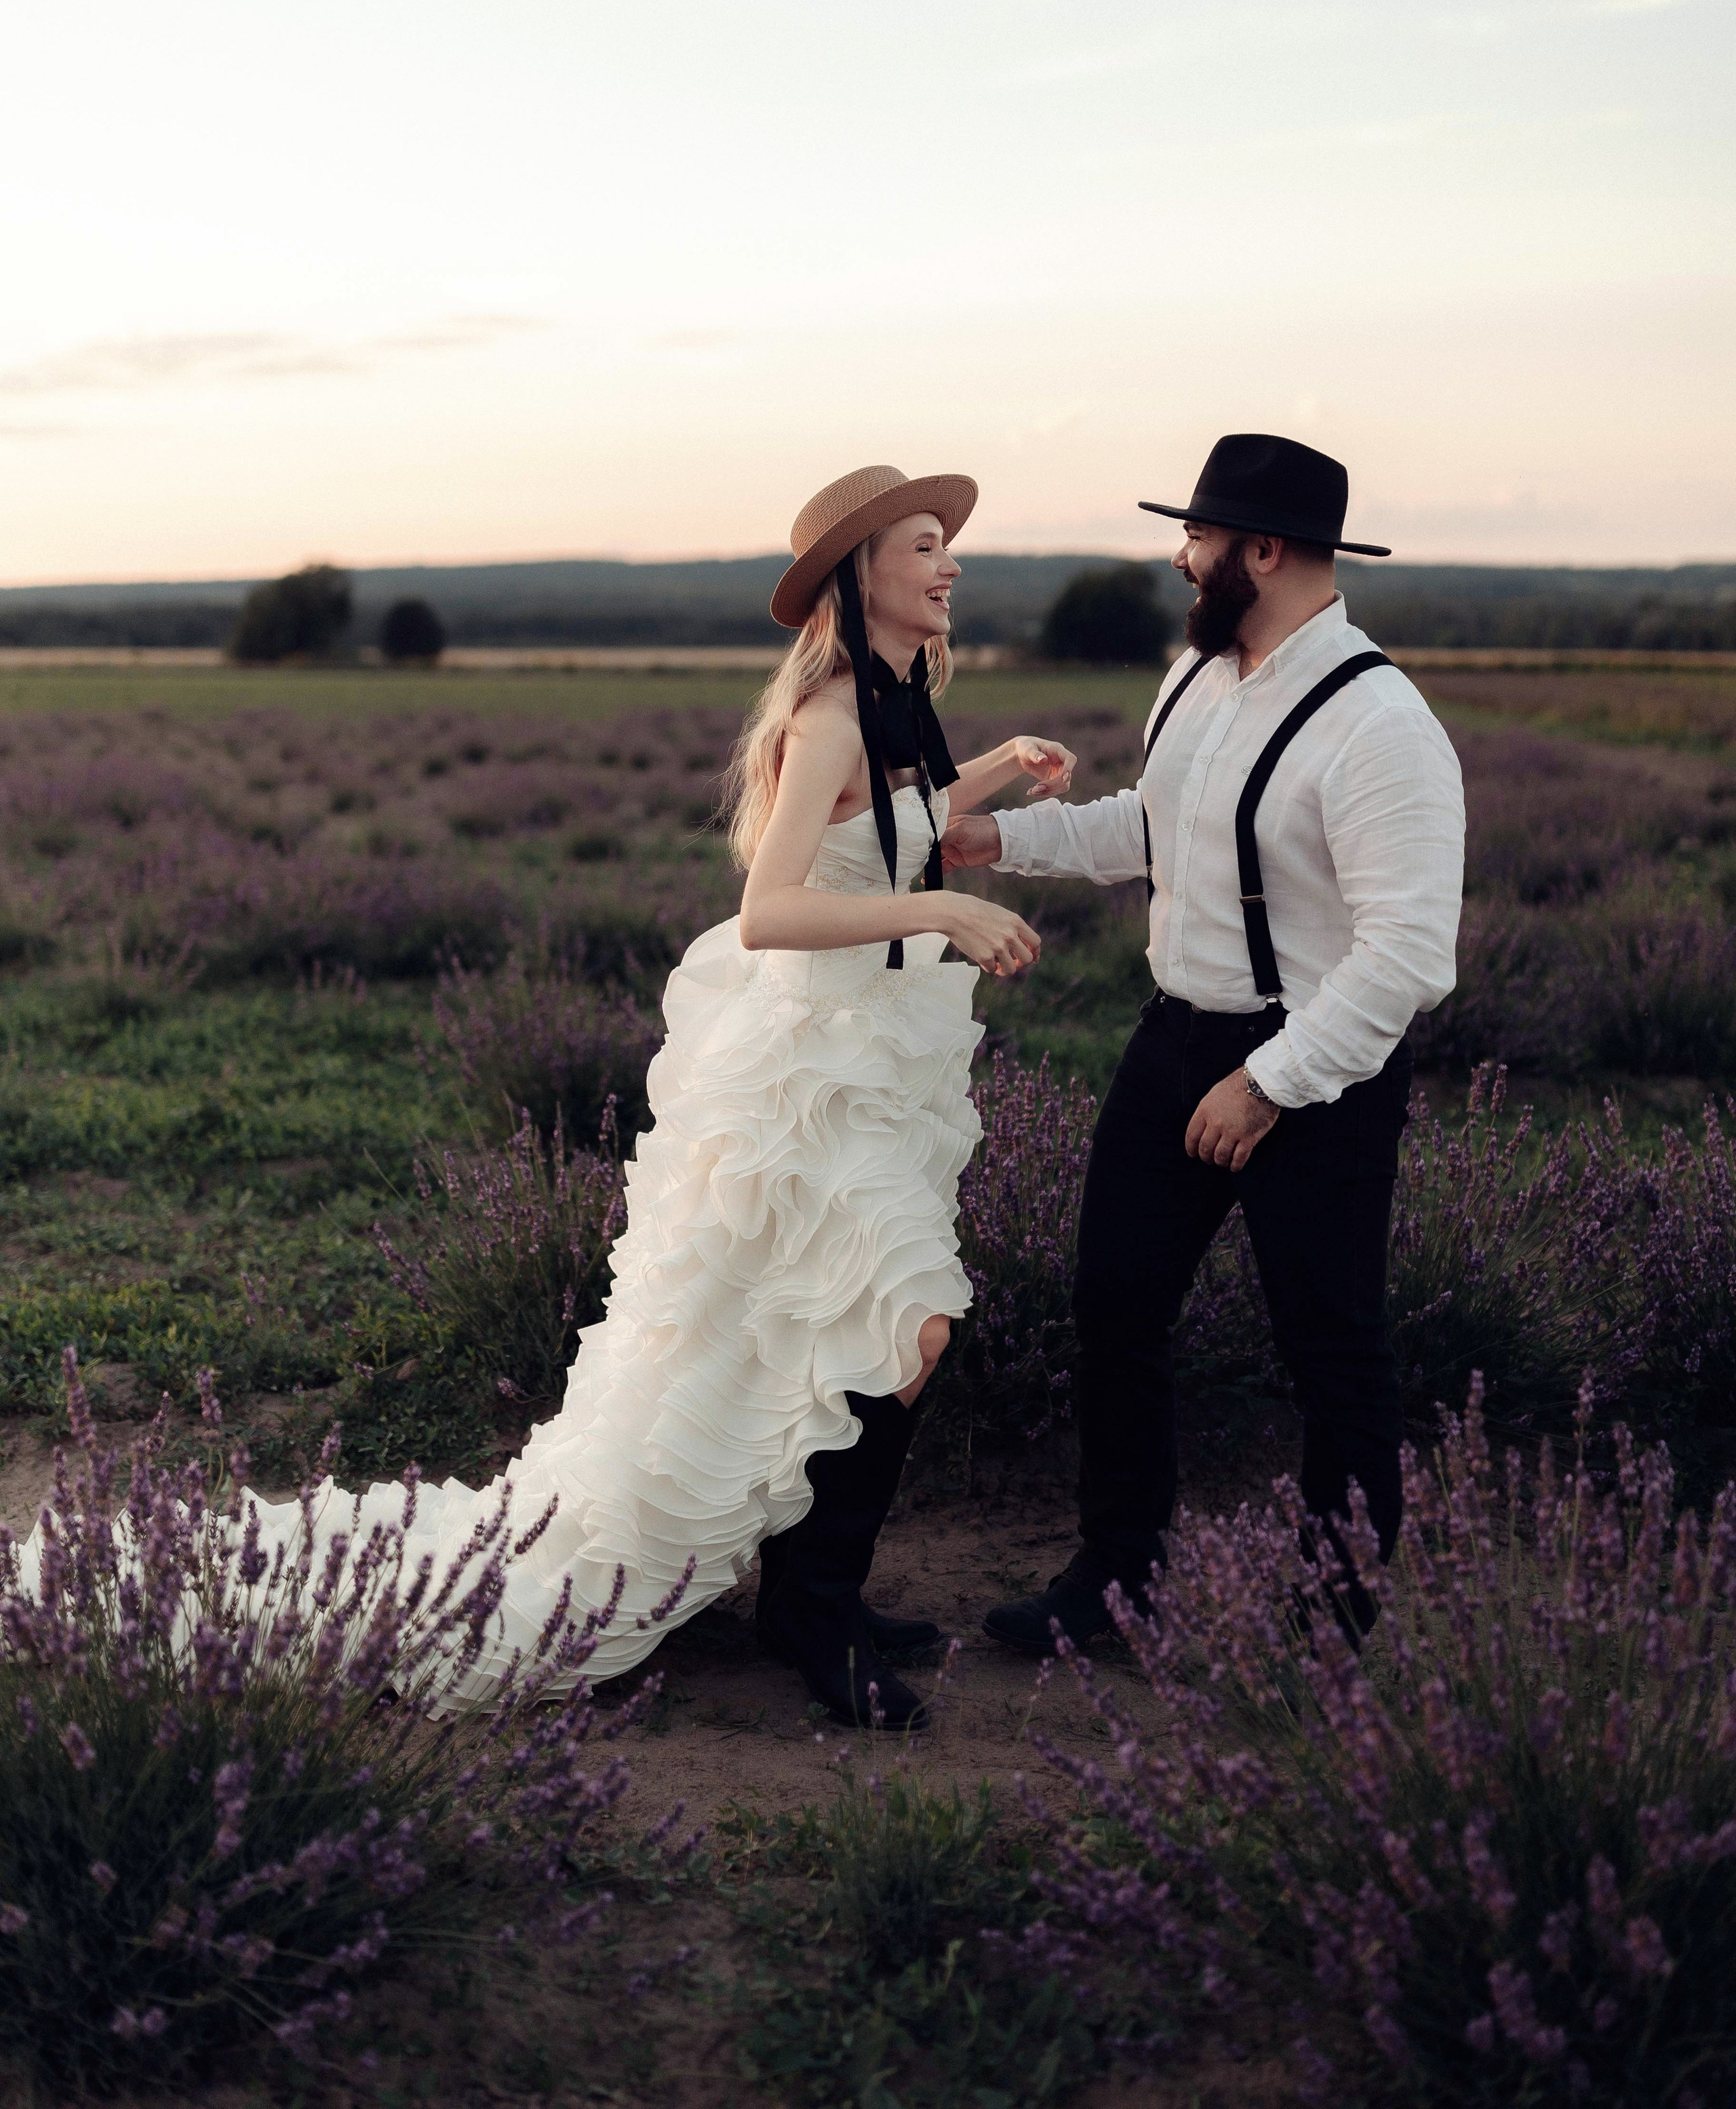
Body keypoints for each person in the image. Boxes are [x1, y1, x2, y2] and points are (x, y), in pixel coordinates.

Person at [201, 466, 1076, 1730]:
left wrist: (993, 768)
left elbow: (881, 826)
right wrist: (941, 903)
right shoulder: (832, 711)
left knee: (831, 1329)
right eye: (928, 548)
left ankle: (810, 1592)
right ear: (862, 573)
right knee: (907, 1329)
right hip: (810, 1073)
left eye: (950, 549)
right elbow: (770, 910)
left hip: (875, 1060)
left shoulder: (898, 701)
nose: (952, 569)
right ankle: (814, 1611)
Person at [943, 433, 1464, 1653]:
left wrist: (1269, 1085)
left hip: (1320, 1069)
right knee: (1114, 1310)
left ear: (1263, 552)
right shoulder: (1197, 680)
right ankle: (1119, 1582)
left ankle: (1333, 1624)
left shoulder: (1383, 725)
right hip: (1175, 1038)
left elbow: (1406, 956)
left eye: (1201, 539)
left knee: (1331, 1350)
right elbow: (1157, 829)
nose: (1184, 559)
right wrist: (1004, 845)